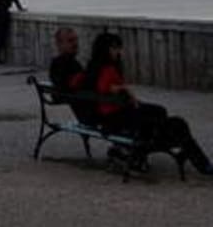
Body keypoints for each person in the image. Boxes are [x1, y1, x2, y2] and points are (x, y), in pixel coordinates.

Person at [82, 31, 213, 176]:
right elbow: (104, 87)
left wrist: (129, 97)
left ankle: (140, 150)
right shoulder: (105, 68)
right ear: (105, 49)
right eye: (115, 48)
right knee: (175, 123)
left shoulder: (94, 67)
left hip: (111, 114)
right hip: (114, 116)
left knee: (160, 113)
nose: (118, 51)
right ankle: (200, 163)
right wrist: (126, 90)